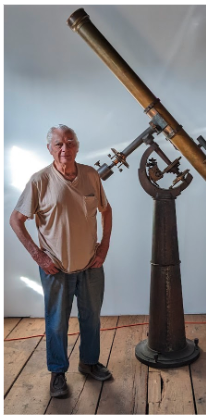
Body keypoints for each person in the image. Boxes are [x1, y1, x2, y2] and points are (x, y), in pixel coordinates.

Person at [9, 125, 113, 398]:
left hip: (91, 265)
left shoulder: (90, 175)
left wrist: (104, 247)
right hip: (56, 268)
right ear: (50, 149)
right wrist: (37, 254)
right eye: (58, 144)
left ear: (77, 147)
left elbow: (106, 209)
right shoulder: (39, 180)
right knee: (57, 323)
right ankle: (58, 373)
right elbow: (16, 220)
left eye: (69, 143)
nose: (64, 149)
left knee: (91, 318)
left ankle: (89, 363)